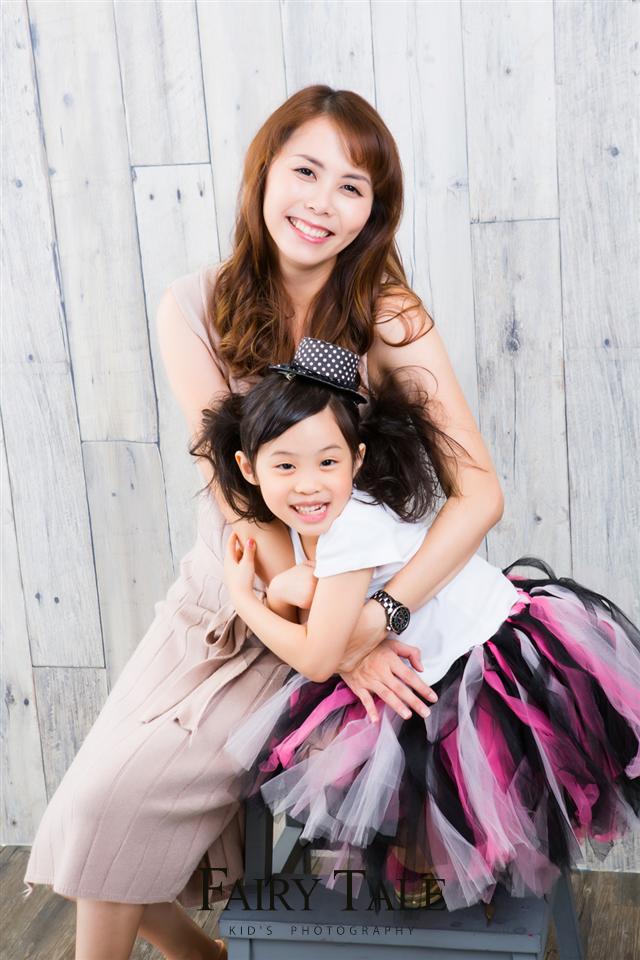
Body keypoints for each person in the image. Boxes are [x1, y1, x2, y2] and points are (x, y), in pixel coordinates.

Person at [20, 83, 499, 960]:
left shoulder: (387, 313)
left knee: (108, 810)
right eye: (306, 171)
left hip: (346, 600)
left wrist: (367, 623)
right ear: (264, 173)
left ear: (374, 211)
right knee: (86, 808)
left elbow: (480, 495)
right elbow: (233, 492)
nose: (322, 202)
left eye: (352, 186)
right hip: (231, 591)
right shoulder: (193, 305)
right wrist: (306, 624)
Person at [191, 335, 640, 916]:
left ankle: (449, 861)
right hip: (429, 650)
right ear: (248, 469)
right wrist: (281, 590)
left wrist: (246, 598)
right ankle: (424, 860)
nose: (308, 483)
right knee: (364, 745)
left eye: (327, 462)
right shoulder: (318, 518)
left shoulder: (349, 528)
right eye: (285, 465)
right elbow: (319, 620)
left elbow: (318, 659)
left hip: (480, 650)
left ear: (356, 460)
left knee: (451, 757)